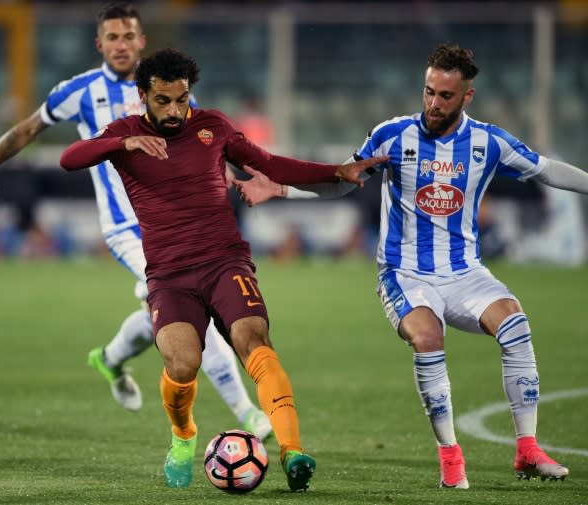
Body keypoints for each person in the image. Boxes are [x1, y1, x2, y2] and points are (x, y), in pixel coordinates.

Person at [234, 43, 587, 489]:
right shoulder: (392, 135)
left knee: (516, 325)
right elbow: (343, 181)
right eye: (429, 91)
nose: (433, 103)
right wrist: (281, 192)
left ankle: (528, 451)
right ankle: (450, 456)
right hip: (404, 271)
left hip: (465, 272)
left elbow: (545, 169)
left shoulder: (488, 143)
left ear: (467, 97)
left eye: (445, 96)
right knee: (427, 335)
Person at [59, 47, 387, 490]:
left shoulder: (212, 125)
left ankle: (293, 453)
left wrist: (335, 171)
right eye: (163, 101)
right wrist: (123, 143)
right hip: (170, 276)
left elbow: (269, 164)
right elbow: (70, 157)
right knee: (183, 363)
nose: (176, 110)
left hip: (224, 261)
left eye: (182, 99)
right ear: (142, 96)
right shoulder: (125, 133)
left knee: (254, 340)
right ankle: (183, 435)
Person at [0, 2, 273, 439]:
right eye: (112, 38)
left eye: (129, 36)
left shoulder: (167, 89)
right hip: (127, 229)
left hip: (177, 223)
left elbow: (199, 143)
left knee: (162, 311)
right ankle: (248, 414)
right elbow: (26, 131)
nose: (121, 45)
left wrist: (227, 175)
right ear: (99, 44)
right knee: (194, 307)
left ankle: (111, 358)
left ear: (141, 41)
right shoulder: (79, 92)